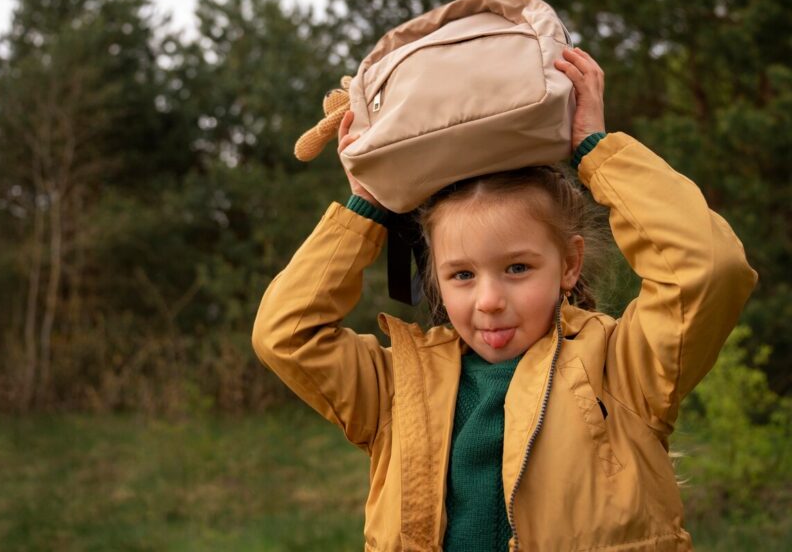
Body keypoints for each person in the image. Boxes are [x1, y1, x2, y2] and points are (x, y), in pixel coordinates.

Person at [251, 46, 758, 551]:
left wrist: (596, 150)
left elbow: (709, 268)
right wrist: (368, 206)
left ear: (569, 264)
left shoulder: (623, 371)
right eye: (463, 275)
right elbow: (286, 334)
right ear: (435, 277)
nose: (489, 300)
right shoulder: (394, 388)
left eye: (517, 268)